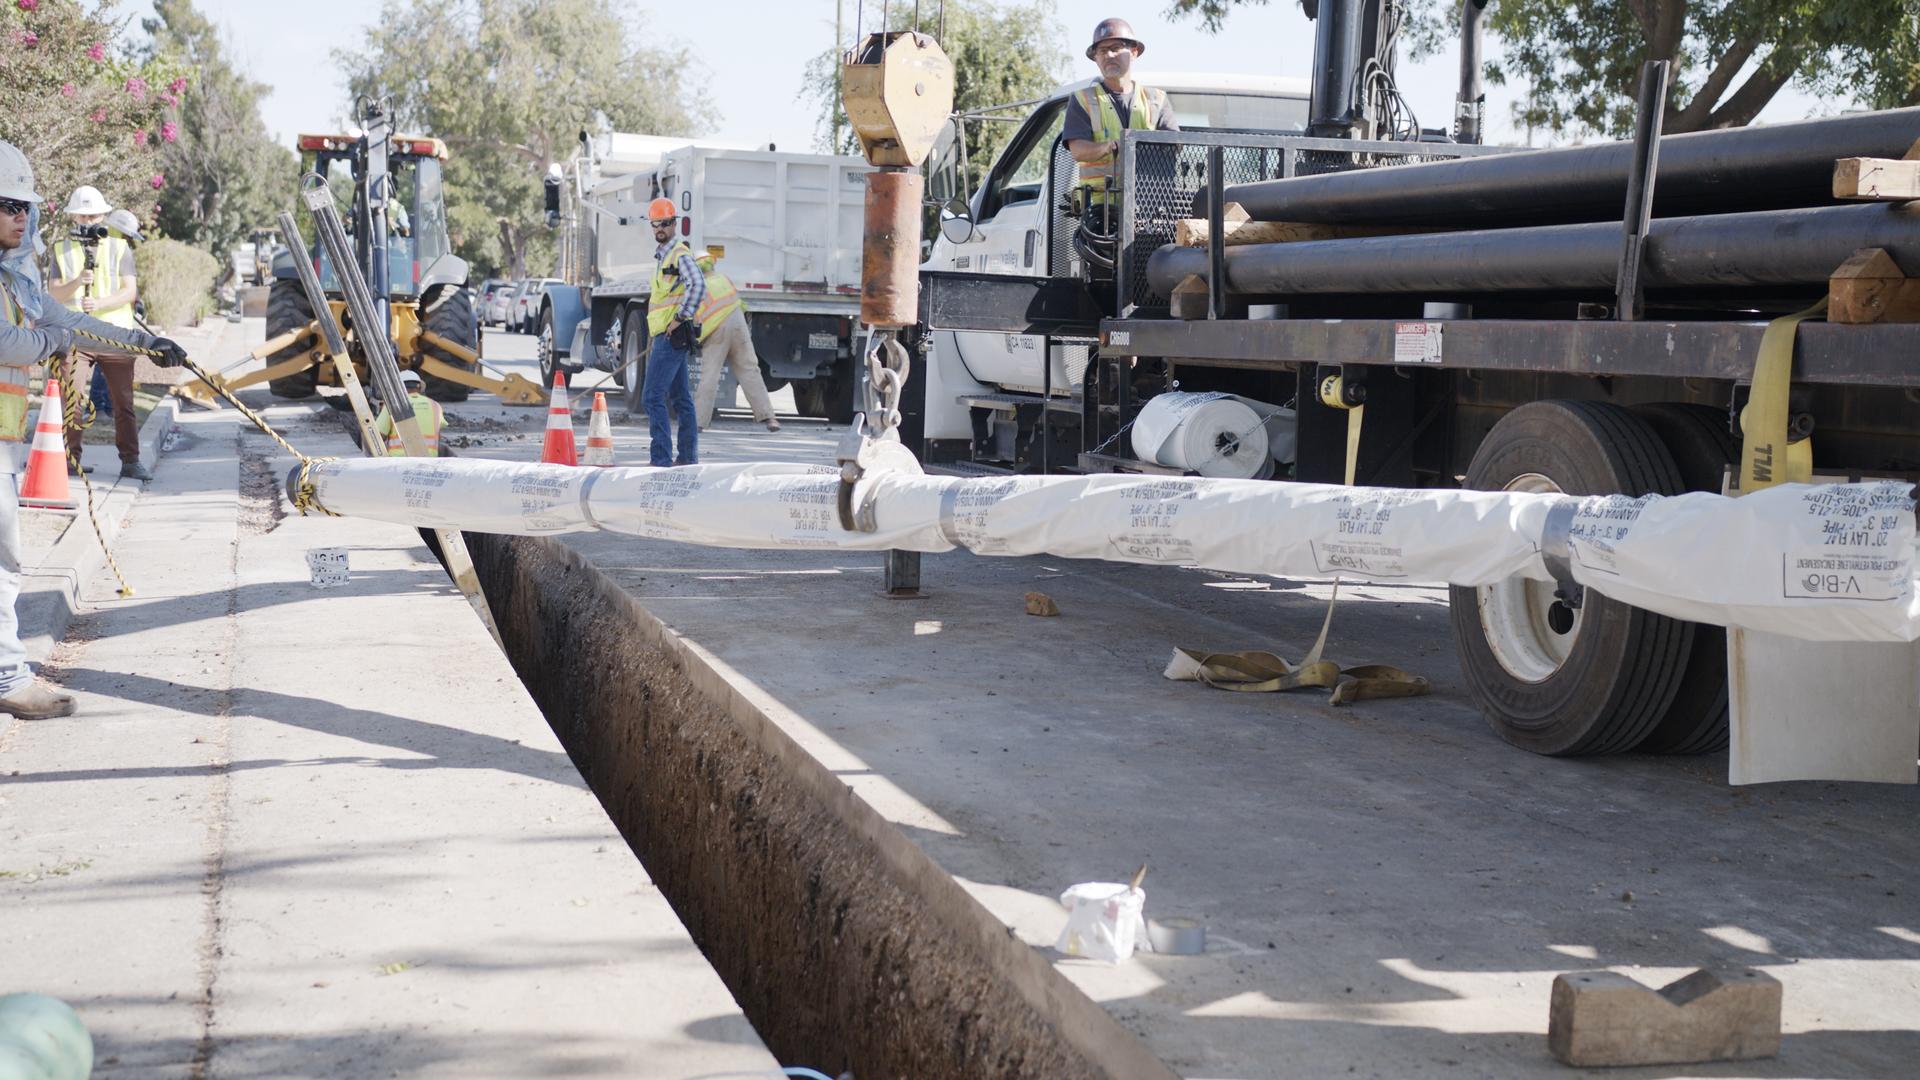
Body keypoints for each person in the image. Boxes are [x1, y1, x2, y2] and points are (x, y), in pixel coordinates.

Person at [0, 140, 186, 719]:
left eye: (24, 206)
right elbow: (13, 343)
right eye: (8, 205)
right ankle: (7, 677)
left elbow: (68, 322)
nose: (21, 217)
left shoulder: (12, 279)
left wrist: (143, 341)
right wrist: (52, 342)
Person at [48, 185, 148, 481]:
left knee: (123, 402)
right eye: (83, 215)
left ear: (103, 215)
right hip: (75, 337)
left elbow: (130, 292)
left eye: (93, 215)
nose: (88, 221)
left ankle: (131, 461)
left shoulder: (119, 247)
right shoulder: (61, 249)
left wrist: (100, 303)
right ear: (73, 217)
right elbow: (53, 294)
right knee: (71, 401)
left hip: (115, 337)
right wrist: (79, 281)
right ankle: (69, 461)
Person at [1062, 18, 1179, 210]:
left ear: (1134, 52)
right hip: (1100, 209)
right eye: (1102, 51)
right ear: (1096, 58)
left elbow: (1175, 143)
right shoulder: (1083, 100)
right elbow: (1078, 150)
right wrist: (1109, 147)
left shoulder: (1156, 99)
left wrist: (1142, 146)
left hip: (1149, 207)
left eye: (1116, 48)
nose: (1108, 55)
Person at [689, 250, 779, 432]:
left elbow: (694, 317)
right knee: (750, 370)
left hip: (717, 332)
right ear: (712, 263)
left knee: (710, 375)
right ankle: (769, 417)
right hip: (739, 326)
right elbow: (740, 304)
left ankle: (698, 423)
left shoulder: (698, 286)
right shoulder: (724, 279)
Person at [642, 197, 701, 467]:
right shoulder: (663, 256)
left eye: (665, 223)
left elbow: (698, 286)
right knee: (681, 399)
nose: (660, 228)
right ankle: (687, 458)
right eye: (656, 224)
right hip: (664, 336)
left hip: (671, 336)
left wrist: (680, 318)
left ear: (674, 223)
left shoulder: (679, 253)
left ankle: (661, 459)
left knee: (652, 397)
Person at [371, 369, 444, 455]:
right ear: (420, 387)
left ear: (398, 388)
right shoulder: (435, 405)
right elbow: (438, 434)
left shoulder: (393, 405)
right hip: (428, 461)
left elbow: (378, 436)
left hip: (399, 462)